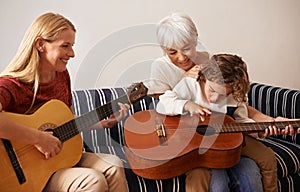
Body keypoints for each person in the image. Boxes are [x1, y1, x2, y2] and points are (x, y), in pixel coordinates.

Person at [146, 12, 299, 192]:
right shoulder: (176, 77)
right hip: (185, 136)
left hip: (223, 135)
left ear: (195, 41)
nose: (181, 58)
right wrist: (187, 102)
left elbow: (238, 113)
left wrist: (268, 124)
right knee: (212, 179)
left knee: (255, 168)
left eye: (187, 48)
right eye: (172, 52)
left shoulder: (215, 66)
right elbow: (160, 106)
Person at [0, 12, 130, 192]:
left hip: (54, 161)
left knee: (114, 165)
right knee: (92, 180)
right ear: (41, 45)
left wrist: (100, 123)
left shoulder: (61, 76)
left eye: (72, 46)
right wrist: (38, 138)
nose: (72, 53)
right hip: (24, 176)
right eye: (65, 46)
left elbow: (63, 121)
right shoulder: (11, 84)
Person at [156, 53, 281, 191]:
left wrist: (260, 130)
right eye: (212, 90)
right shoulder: (191, 85)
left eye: (223, 95)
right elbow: (162, 104)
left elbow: (242, 120)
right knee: (215, 181)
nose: (215, 98)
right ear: (204, 77)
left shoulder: (236, 94)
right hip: (194, 143)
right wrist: (187, 105)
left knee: (267, 157)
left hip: (226, 138)